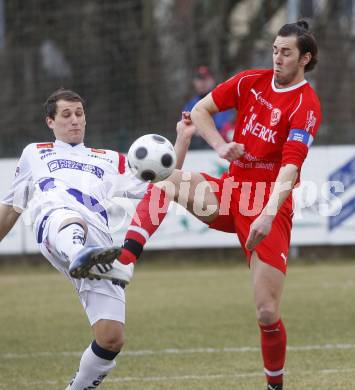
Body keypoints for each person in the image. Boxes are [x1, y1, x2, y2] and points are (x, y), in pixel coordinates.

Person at [110, 20, 321, 390]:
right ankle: (125, 261)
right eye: (274, 49)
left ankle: (275, 386)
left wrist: (269, 214)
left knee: (267, 312)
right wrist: (220, 147)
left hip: (266, 203)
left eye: (286, 52)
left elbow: (291, 167)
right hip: (230, 191)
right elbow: (201, 111)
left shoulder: (306, 106)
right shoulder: (249, 81)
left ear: (305, 58)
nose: (277, 58)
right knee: (167, 181)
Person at [0, 89, 195, 389]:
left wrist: (182, 138)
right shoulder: (34, 153)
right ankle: (79, 254)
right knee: (68, 219)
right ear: (50, 122)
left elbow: (159, 180)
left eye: (79, 114)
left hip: (99, 246)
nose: (75, 121)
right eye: (66, 115)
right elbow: (11, 210)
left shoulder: (108, 159)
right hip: (55, 223)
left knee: (111, 338)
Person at [183, 65, 235, 146]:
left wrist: (200, 127)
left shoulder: (222, 99)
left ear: (212, 80)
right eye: (199, 79)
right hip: (195, 148)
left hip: (219, 146)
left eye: (205, 79)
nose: (202, 83)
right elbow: (184, 126)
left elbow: (222, 125)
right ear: (194, 82)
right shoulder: (190, 104)